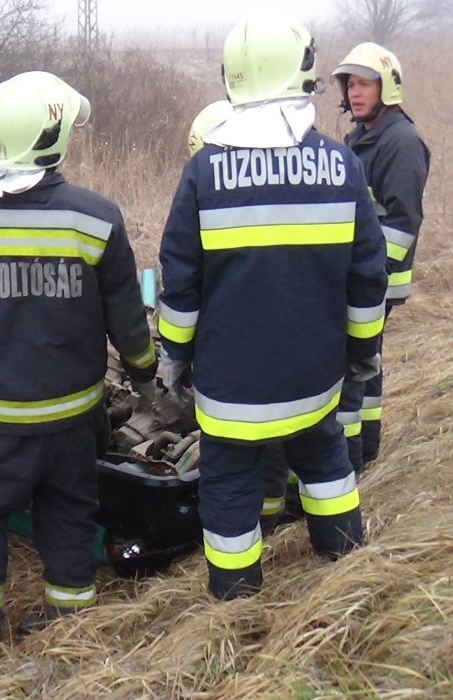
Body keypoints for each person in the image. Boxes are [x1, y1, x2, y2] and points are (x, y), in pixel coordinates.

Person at [0, 70, 157, 661]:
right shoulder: (96, 218)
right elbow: (127, 318)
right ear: (55, 139)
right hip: (73, 420)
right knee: (69, 513)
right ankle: (68, 624)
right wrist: (144, 375)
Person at [157, 10, 387, 600]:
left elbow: (180, 285)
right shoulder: (342, 165)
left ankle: (236, 598)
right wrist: (363, 351)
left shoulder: (203, 173)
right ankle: (345, 562)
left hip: (230, 390)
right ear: (302, 74)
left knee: (229, 483)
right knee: (326, 462)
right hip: (315, 378)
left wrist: (174, 358)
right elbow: (368, 277)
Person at [184, 101, 299, 536]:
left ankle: (265, 519)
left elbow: (186, 280)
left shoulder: (212, 200)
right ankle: (276, 513)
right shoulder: (275, 196)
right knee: (285, 441)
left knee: (254, 451)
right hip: (285, 352)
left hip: (239, 356)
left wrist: (177, 352)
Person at [332, 43, 432, 472]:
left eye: (365, 84)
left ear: (386, 88)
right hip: (364, 278)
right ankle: (368, 449)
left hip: (375, 281)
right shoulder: (364, 137)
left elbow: (403, 221)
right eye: (351, 85)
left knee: (350, 373)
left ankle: (347, 462)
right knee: (366, 362)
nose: (355, 93)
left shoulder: (401, 142)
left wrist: (367, 275)